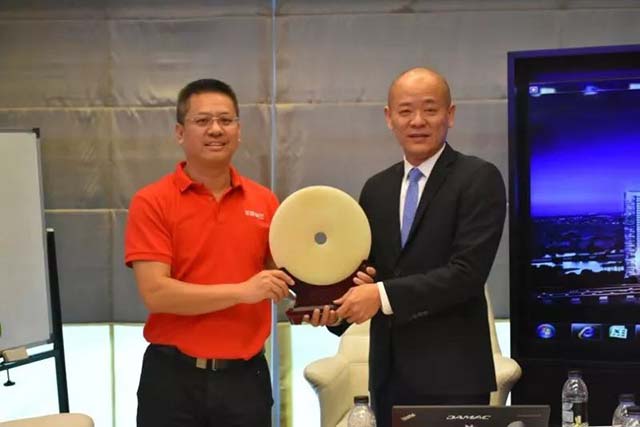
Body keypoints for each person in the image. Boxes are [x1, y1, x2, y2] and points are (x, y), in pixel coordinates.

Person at [317, 67, 507, 427]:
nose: (417, 121)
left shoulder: (478, 178)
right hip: (389, 378)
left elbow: (467, 274)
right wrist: (336, 311)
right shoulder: (376, 188)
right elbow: (368, 272)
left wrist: (380, 295)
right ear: (389, 118)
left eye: (430, 109)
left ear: (450, 114)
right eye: (405, 111)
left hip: (455, 377)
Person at [124, 78, 294, 427]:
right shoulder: (152, 201)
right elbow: (156, 293)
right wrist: (243, 292)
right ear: (180, 132)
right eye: (202, 121)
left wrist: (332, 298)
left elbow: (287, 278)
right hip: (172, 380)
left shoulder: (265, 201)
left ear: (239, 130)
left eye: (226, 120)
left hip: (246, 380)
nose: (216, 129)